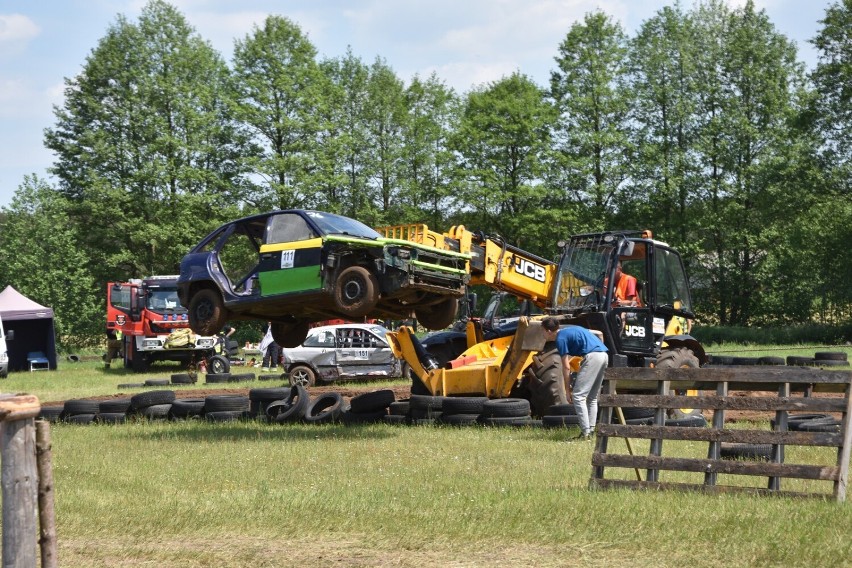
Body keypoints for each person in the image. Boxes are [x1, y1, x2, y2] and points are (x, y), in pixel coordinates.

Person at [541, 317, 608, 440]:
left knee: (578, 396)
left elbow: (566, 367)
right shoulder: (569, 330)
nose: (542, 334)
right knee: (592, 397)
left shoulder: (560, 339)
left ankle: (586, 433)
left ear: (549, 331)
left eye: (543, 331)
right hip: (604, 355)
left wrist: (567, 390)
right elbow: (597, 334)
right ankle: (591, 431)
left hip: (593, 357)